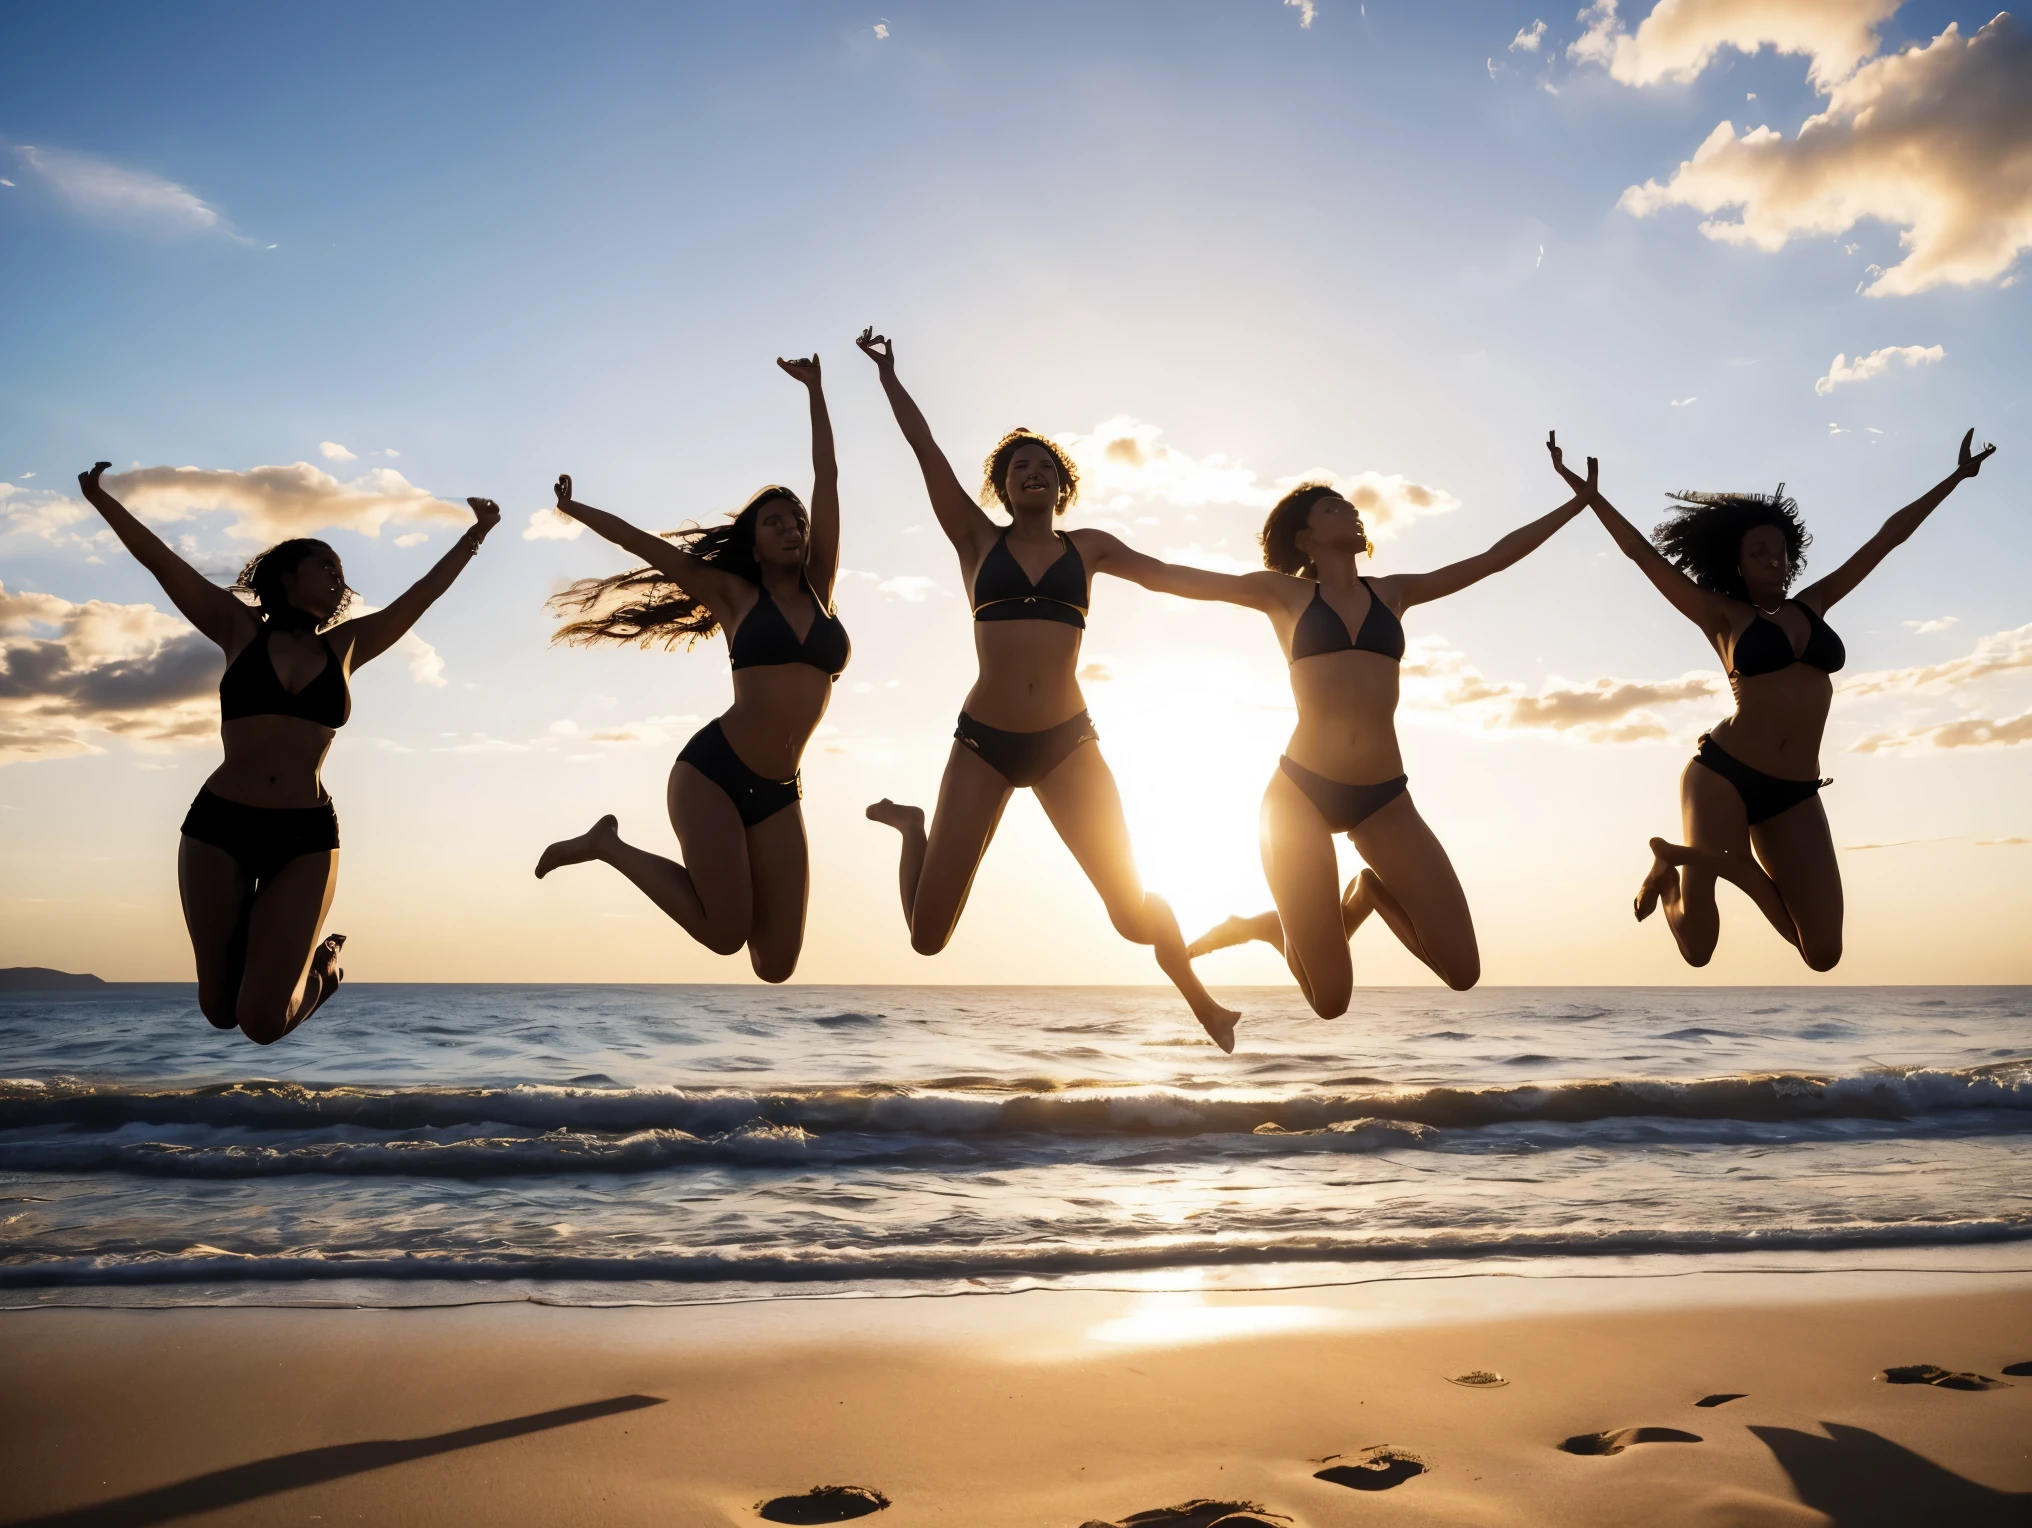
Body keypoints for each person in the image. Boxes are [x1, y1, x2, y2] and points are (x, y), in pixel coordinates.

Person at [854, 328, 1241, 1048]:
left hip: (1067, 744)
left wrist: (1268, 595)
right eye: (1017, 467)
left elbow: (1175, 576)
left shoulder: (1088, 549)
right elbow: (925, 452)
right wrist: (888, 377)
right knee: (927, 940)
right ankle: (914, 829)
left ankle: (1204, 1002)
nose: (1031, 473)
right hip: (984, 745)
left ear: (1062, 485)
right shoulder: (976, 541)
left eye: (1043, 466)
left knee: (1131, 915)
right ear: (1001, 488)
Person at [1122, 450, 1595, 1020]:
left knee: (1464, 972)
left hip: (1384, 798)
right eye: (1332, 507)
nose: (1350, 511)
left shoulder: (1393, 593)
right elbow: (1173, 577)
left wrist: (1578, 502)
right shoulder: (1283, 595)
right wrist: (1092, 555)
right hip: (1300, 795)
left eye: (1350, 505)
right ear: (1307, 539)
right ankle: (1277, 932)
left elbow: (1493, 559)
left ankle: (1367, 893)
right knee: (1331, 1002)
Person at [75, 461, 500, 1042]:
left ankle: (321, 977)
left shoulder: (348, 646)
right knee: (219, 1009)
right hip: (218, 827)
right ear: (285, 577)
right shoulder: (236, 628)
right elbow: (160, 561)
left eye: (340, 572)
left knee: (260, 1024)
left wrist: (475, 536)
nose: (337, 581)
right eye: (325, 566)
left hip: (304, 837)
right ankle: (271, 949)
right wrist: (100, 498)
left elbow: (420, 597)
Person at [1552, 428, 1996, 969]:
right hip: (1723, 775)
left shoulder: (1815, 604)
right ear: (1736, 564)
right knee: (1698, 948)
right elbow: (1642, 557)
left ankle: (1702, 860)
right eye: (1758, 552)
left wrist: (1954, 478)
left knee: (1823, 954)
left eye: (1780, 552)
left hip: (1795, 792)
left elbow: (1887, 539)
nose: (1772, 561)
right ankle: (1670, 877)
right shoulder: (1720, 615)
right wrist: (1590, 497)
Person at [535, 355, 845, 981]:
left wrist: (816, 392)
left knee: (776, 965)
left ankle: (708, 874)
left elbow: (828, 478)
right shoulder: (735, 597)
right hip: (713, 773)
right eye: (775, 522)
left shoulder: (820, 588)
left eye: (797, 522)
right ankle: (608, 846)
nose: (792, 528)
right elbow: (645, 546)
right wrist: (575, 510)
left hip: (781, 789)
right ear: (753, 541)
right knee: (726, 935)